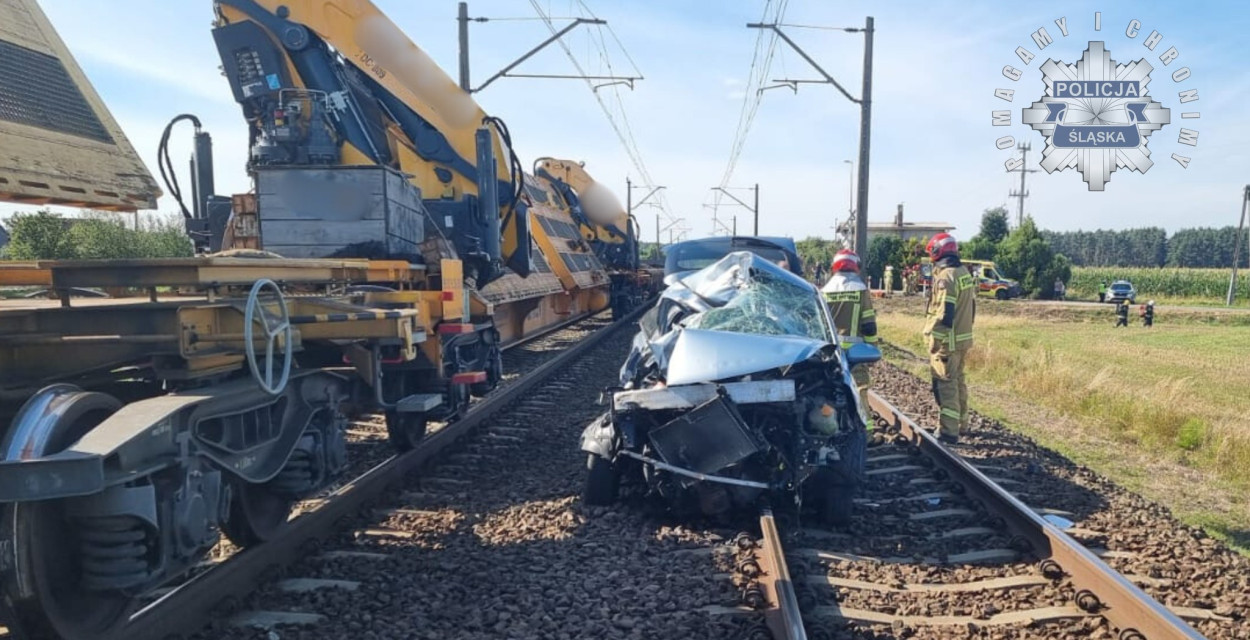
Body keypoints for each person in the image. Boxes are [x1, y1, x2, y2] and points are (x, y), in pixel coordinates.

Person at [923, 233, 976, 445]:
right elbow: (971, 308)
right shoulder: (964, 273)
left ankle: (948, 431)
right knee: (958, 382)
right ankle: (962, 423)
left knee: (945, 386)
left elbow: (945, 314)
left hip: (948, 342)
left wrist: (935, 340)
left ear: (938, 252)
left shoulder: (946, 278)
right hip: (962, 340)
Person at [822, 249, 878, 403]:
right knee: (859, 392)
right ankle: (866, 426)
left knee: (830, 390)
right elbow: (869, 326)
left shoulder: (825, 291)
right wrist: (872, 348)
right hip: (855, 354)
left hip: (831, 352)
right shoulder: (860, 290)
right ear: (856, 266)